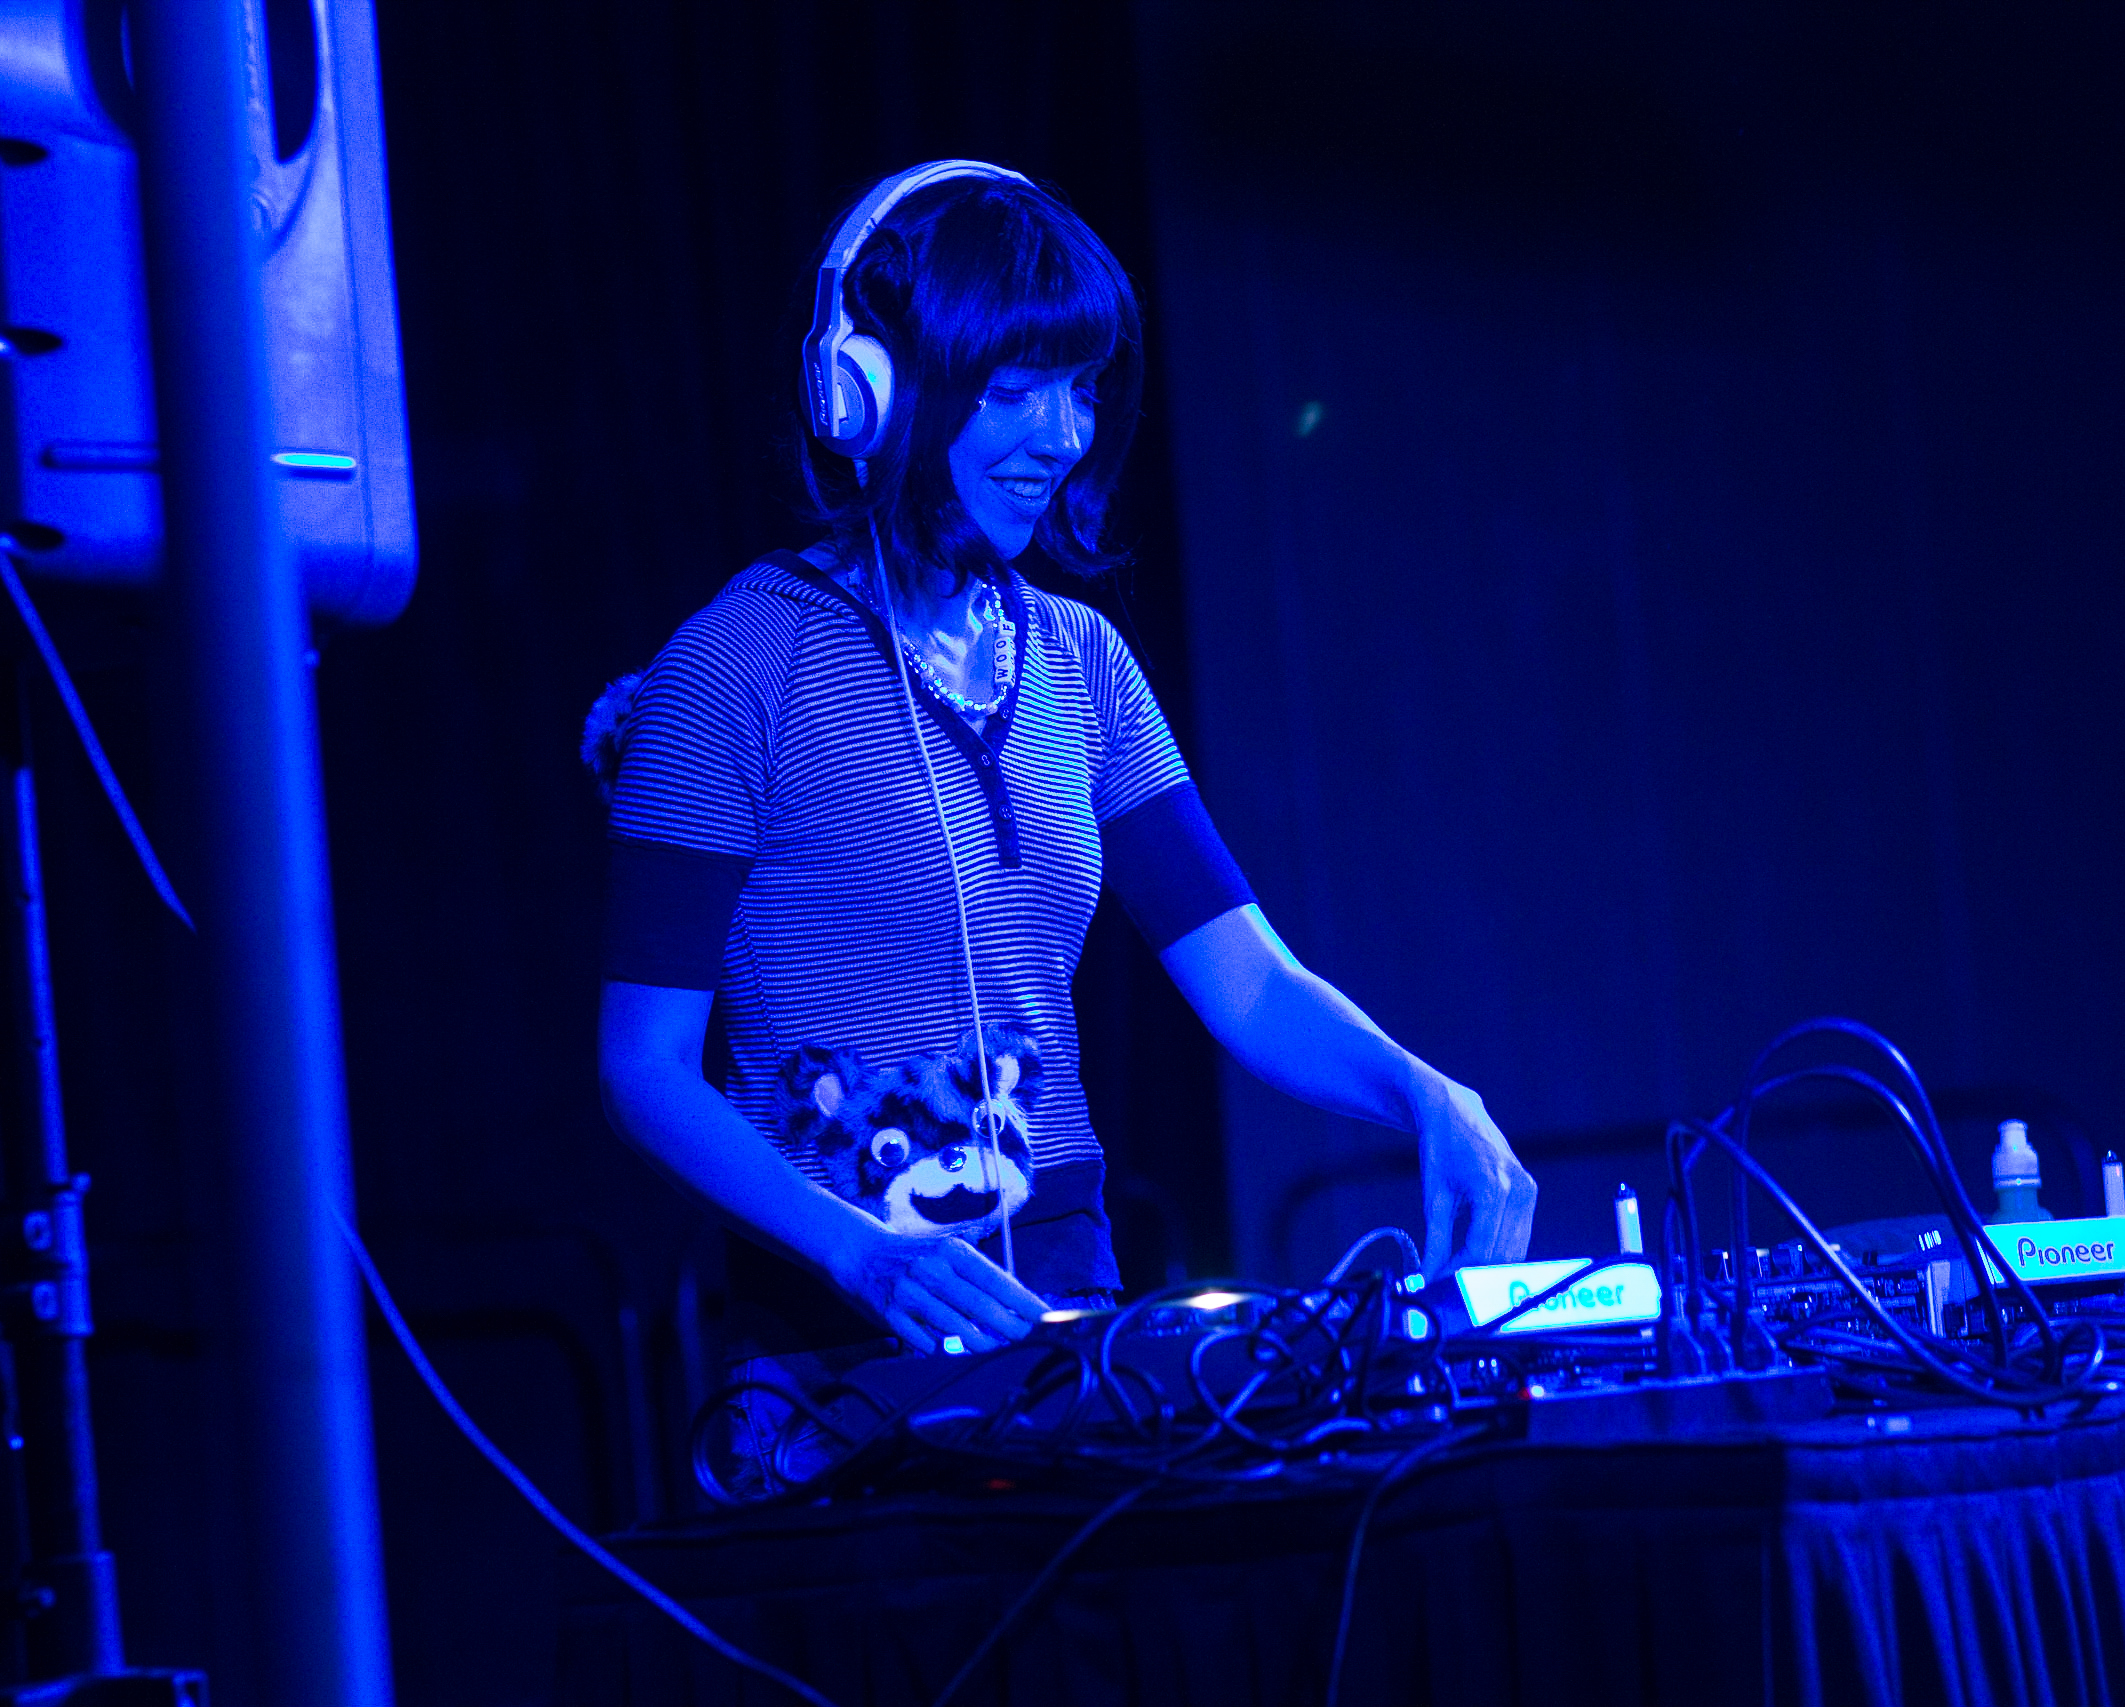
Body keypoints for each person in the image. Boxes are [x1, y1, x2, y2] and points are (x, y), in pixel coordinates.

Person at [591, 164, 1535, 1485]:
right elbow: (642, 1067)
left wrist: (1428, 1096)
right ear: (870, 389)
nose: (1064, 434)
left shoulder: (1082, 661)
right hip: (829, 1346)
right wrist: (863, 1252)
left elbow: (1250, 982)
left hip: (1070, 1326)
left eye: (1083, 388)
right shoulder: (735, 665)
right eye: (1017, 389)